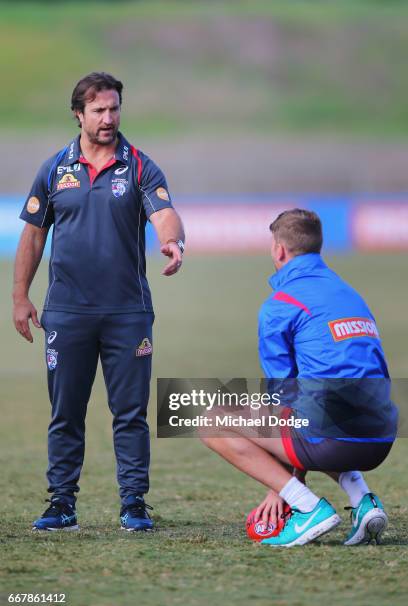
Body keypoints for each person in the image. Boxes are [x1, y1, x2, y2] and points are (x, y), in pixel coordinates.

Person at [13, 72, 185, 532]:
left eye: (114, 109)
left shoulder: (141, 166)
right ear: (78, 115)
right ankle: (62, 504)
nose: (109, 118)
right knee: (65, 413)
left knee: (129, 414)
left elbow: (165, 214)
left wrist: (173, 243)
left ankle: (134, 504)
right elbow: (32, 235)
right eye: (99, 111)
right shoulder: (54, 170)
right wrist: (19, 296)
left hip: (127, 314)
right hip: (66, 314)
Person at [200, 209, 397, 547]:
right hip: (382, 437)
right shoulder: (350, 294)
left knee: (210, 420)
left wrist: (283, 489)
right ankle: (363, 500)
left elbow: (284, 398)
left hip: (333, 440)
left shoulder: (280, 304)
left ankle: (310, 509)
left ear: (279, 250)